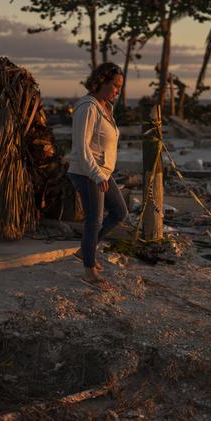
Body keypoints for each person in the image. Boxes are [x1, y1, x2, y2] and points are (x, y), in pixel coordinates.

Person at [67, 62, 128, 286]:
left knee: (120, 212)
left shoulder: (106, 108)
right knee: (94, 220)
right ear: (101, 81)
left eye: (120, 87)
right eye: (115, 85)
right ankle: (88, 271)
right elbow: (82, 148)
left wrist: (104, 173)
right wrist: (97, 175)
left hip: (102, 172)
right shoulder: (87, 107)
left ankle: (86, 251)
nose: (117, 91)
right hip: (87, 172)